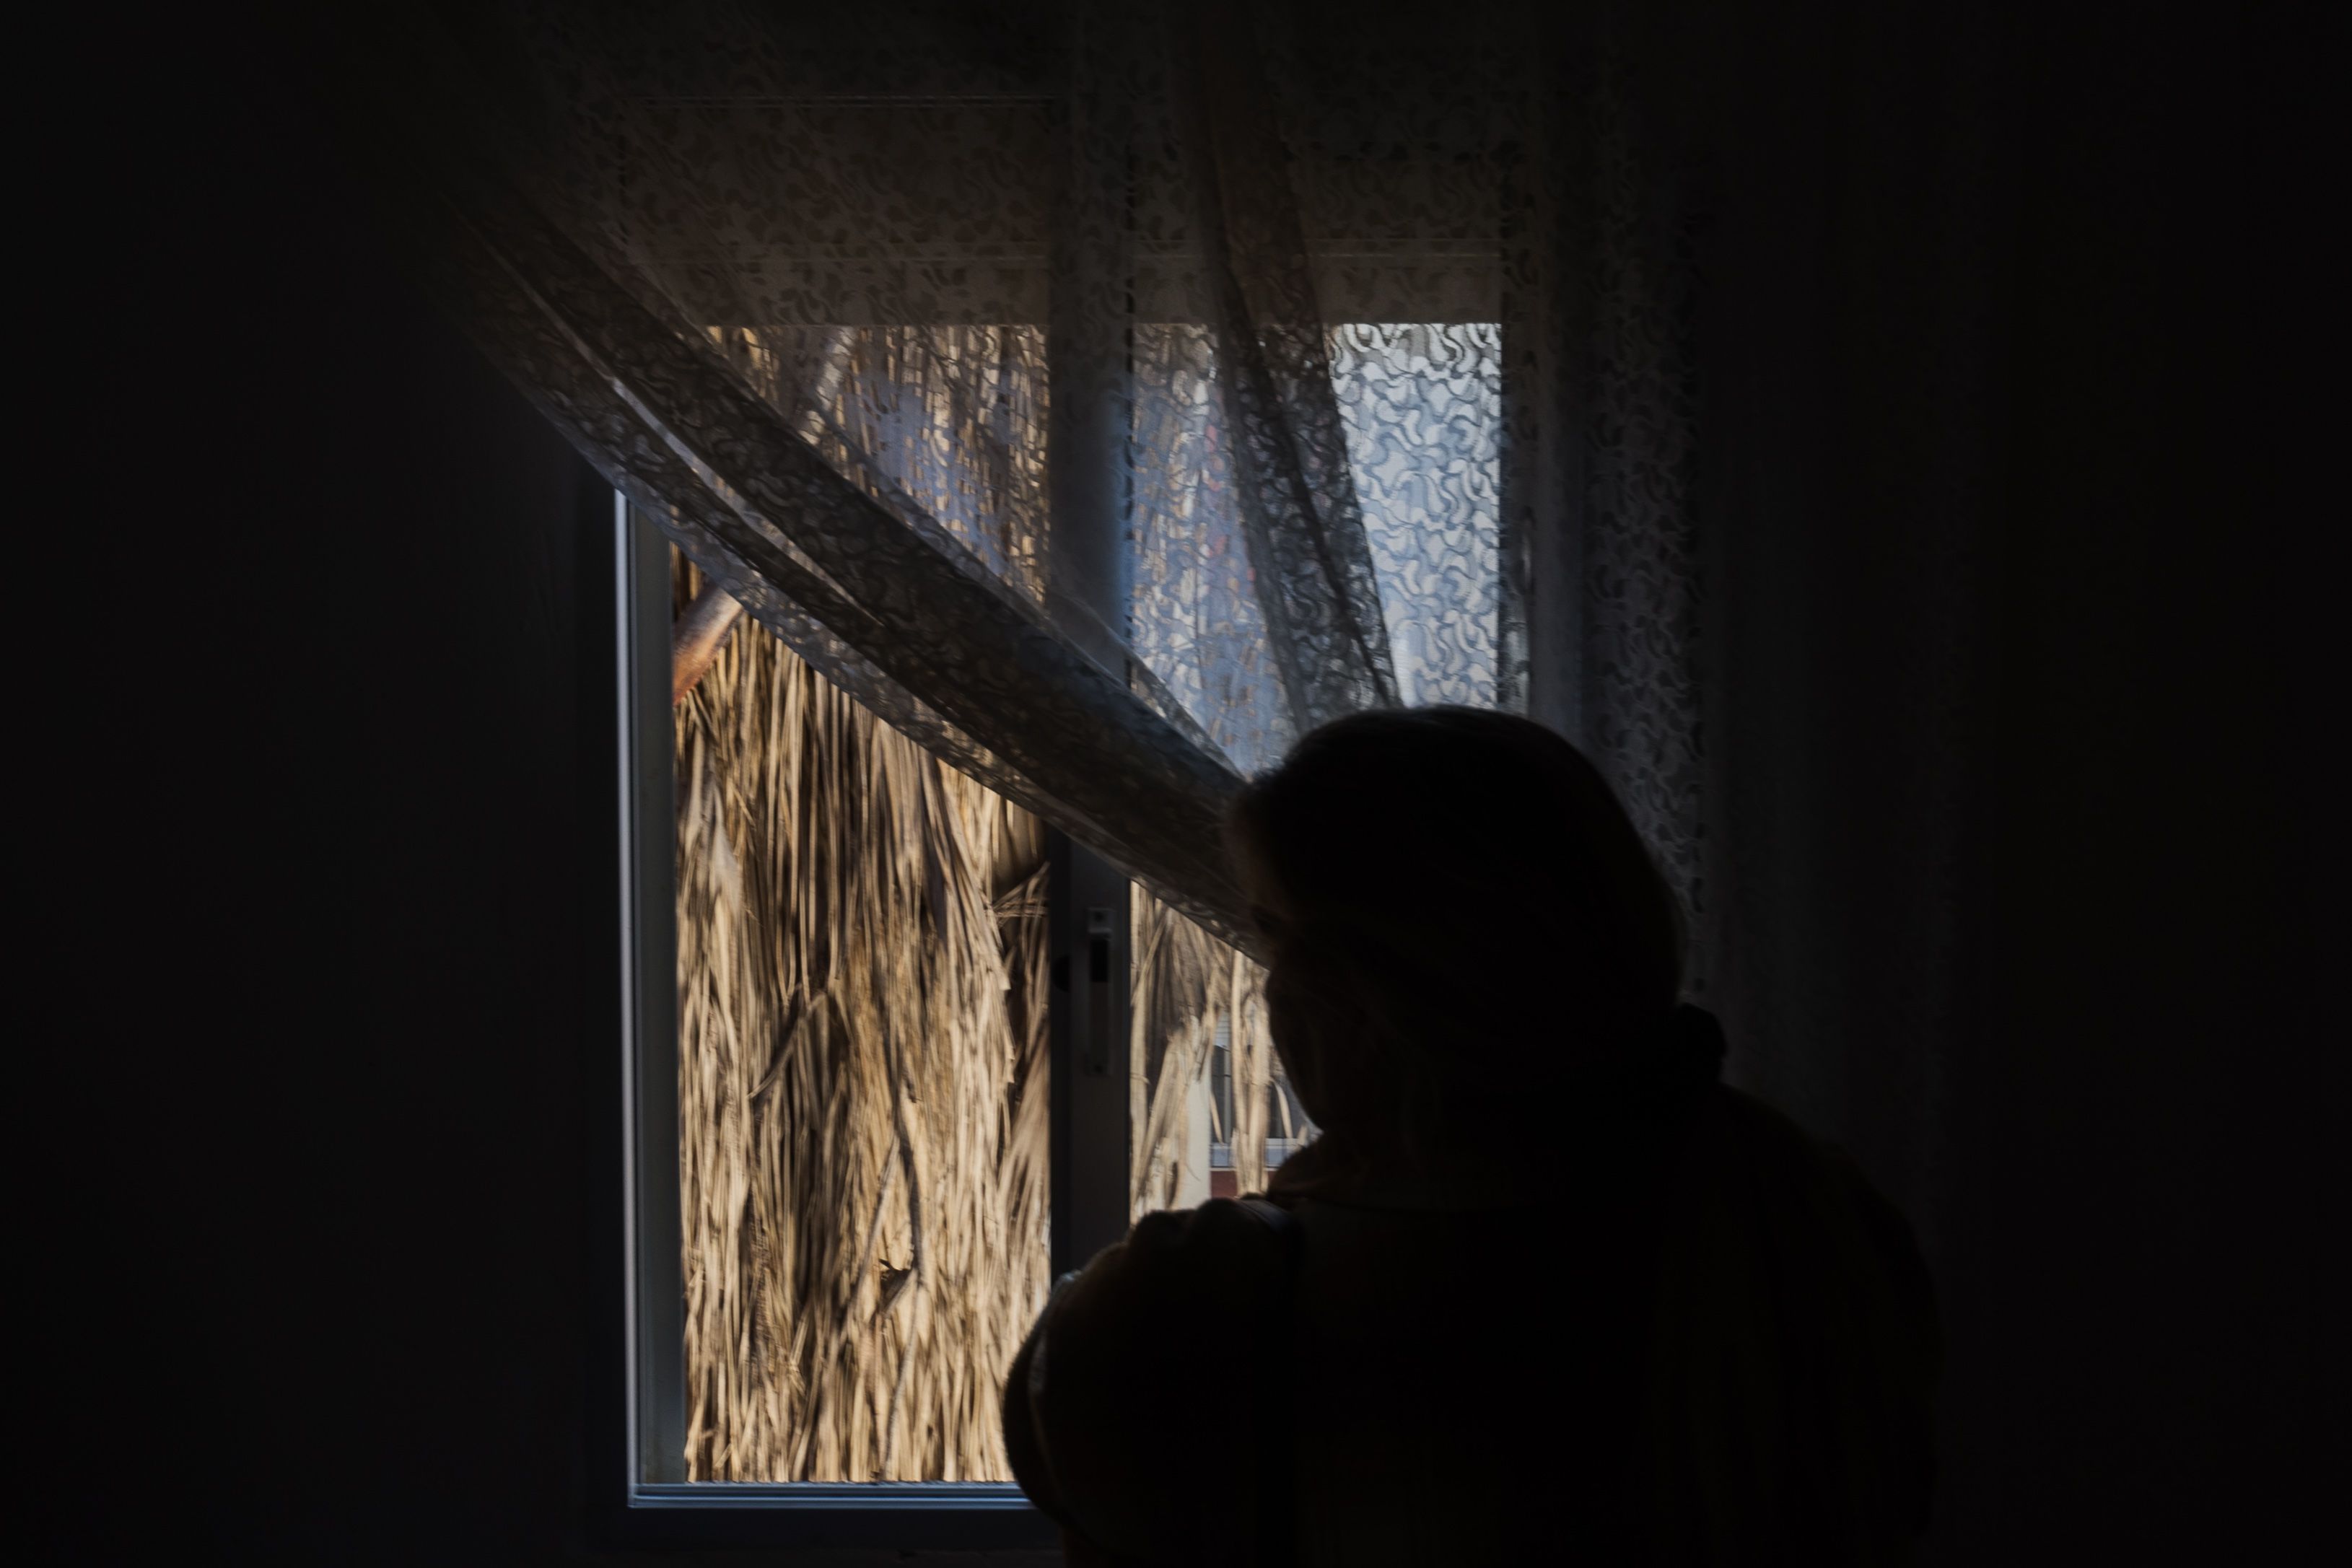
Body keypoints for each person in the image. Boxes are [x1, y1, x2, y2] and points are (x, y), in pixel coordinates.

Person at [1003, 707, 1940, 1566]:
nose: (1266, 987)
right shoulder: (1822, 1227)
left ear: (1373, 995)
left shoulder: (1201, 1310)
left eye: (1275, 938)